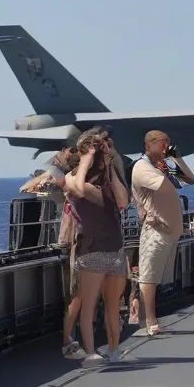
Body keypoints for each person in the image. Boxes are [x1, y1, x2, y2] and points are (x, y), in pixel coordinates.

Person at [64, 128, 131, 367]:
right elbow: (80, 189)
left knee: (113, 306)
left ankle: (114, 348)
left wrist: (112, 165)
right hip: (92, 249)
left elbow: (123, 201)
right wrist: (86, 160)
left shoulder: (106, 183)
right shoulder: (73, 178)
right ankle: (90, 352)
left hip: (114, 248)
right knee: (89, 305)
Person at [130, 130, 194, 337]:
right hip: (155, 229)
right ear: (148, 145)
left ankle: (146, 317)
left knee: (156, 276)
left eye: (167, 143)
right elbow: (167, 187)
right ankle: (148, 319)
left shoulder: (161, 167)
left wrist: (176, 159)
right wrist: (167, 169)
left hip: (168, 229)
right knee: (148, 276)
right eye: (161, 143)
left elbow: (190, 180)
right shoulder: (142, 167)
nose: (165, 147)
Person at [23, 147, 83, 358]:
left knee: (76, 294)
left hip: (76, 241)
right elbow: (50, 181)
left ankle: (73, 339)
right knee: (75, 294)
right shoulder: (74, 182)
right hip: (75, 243)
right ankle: (70, 339)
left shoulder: (73, 182)